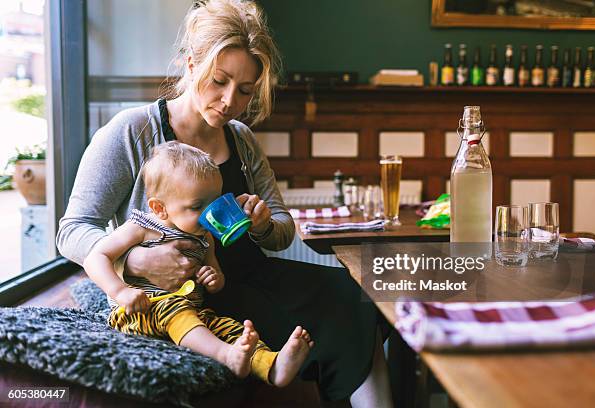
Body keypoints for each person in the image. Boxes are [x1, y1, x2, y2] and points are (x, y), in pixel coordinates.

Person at [57, 0, 392, 405]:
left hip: (246, 274)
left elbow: (282, 231)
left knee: (353, 291)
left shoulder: (241, 138)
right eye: (220, 80)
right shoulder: (132, 132)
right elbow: (72, 229)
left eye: (245, 90)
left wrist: (265, 222)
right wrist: (133, 262)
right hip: (183, 294)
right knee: (331, 317)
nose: (231, 100)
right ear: (190, 64)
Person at [82, 141, 313, 386]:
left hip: (193, 314)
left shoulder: (204, 237)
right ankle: (226, 356)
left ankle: (271, 365)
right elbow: (95, 258)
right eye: (196, 206)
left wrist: (213, 278)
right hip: (139, 312)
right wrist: (120, 291)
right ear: (160, 208)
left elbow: (217, 279)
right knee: (174, 310)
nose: (206, 214)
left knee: (229, 327)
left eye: (213, 202)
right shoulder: (142, 227)